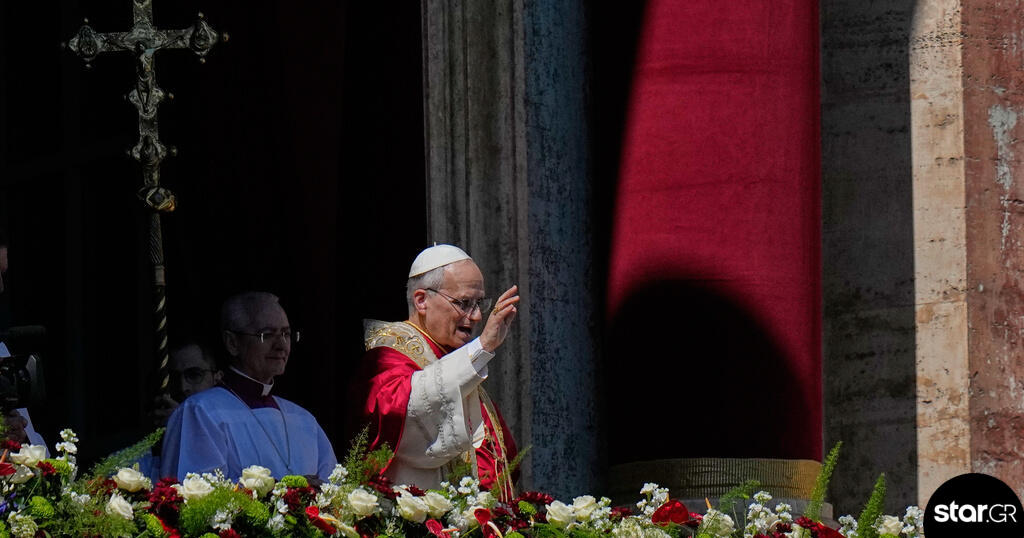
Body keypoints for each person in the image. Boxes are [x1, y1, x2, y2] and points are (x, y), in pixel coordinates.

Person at [351, 244, 520, 498]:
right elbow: (398, 414)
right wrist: (482, 347)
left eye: (479, 303)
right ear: (421, 300)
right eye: (464, 303)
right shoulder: (387, 357)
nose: (476, 316)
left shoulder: (454, 359)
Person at [160, 291, 337, 481]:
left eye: (286, 334)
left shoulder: (303, 419)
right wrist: (286, 491)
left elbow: (335, 487)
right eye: (266, 335)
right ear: (232, 343)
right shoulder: (201, 412)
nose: (281, 345)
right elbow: (197, 490)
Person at [150, 340, 222, 428]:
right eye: (174, 377)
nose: (183, 387)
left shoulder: (230, 417)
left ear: (217, 378)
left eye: (194, 375)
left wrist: (182, 422)